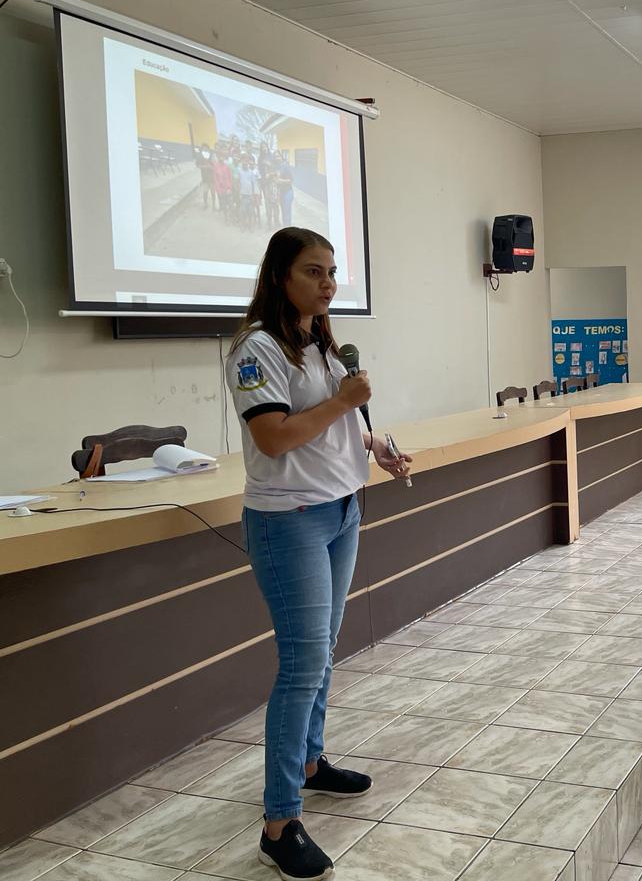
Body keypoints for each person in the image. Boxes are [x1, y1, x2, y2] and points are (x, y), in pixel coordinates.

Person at [226, 227, 411, 880]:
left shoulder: (321, 343)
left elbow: (334, 429)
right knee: (302, 664)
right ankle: (280, 823)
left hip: (341, 510)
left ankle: (309, 763)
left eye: (333, 272)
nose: (328, 284)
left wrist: (373, 445)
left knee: (323, 651)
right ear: (281, 276)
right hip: (289, 521)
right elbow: (275, 438)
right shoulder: (256, 348)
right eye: (314, 271)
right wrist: (341, 402)